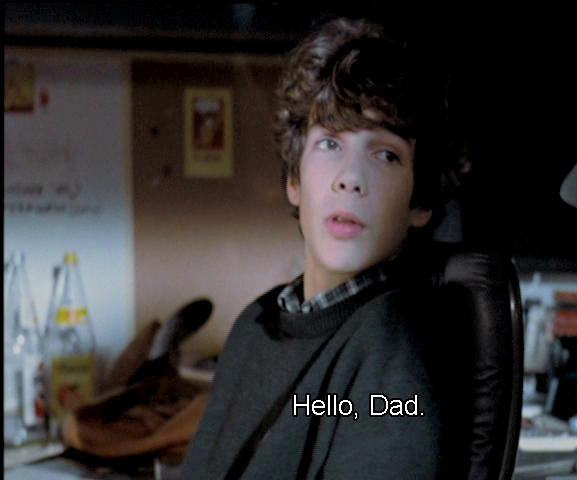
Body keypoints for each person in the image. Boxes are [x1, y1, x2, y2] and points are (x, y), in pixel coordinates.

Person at [181, 17, 473, 480]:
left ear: (420, 202)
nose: (351, 178)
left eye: (386, 155)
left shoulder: (394, 349)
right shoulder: (256, 323)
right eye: (330, 143)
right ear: (294, 181)